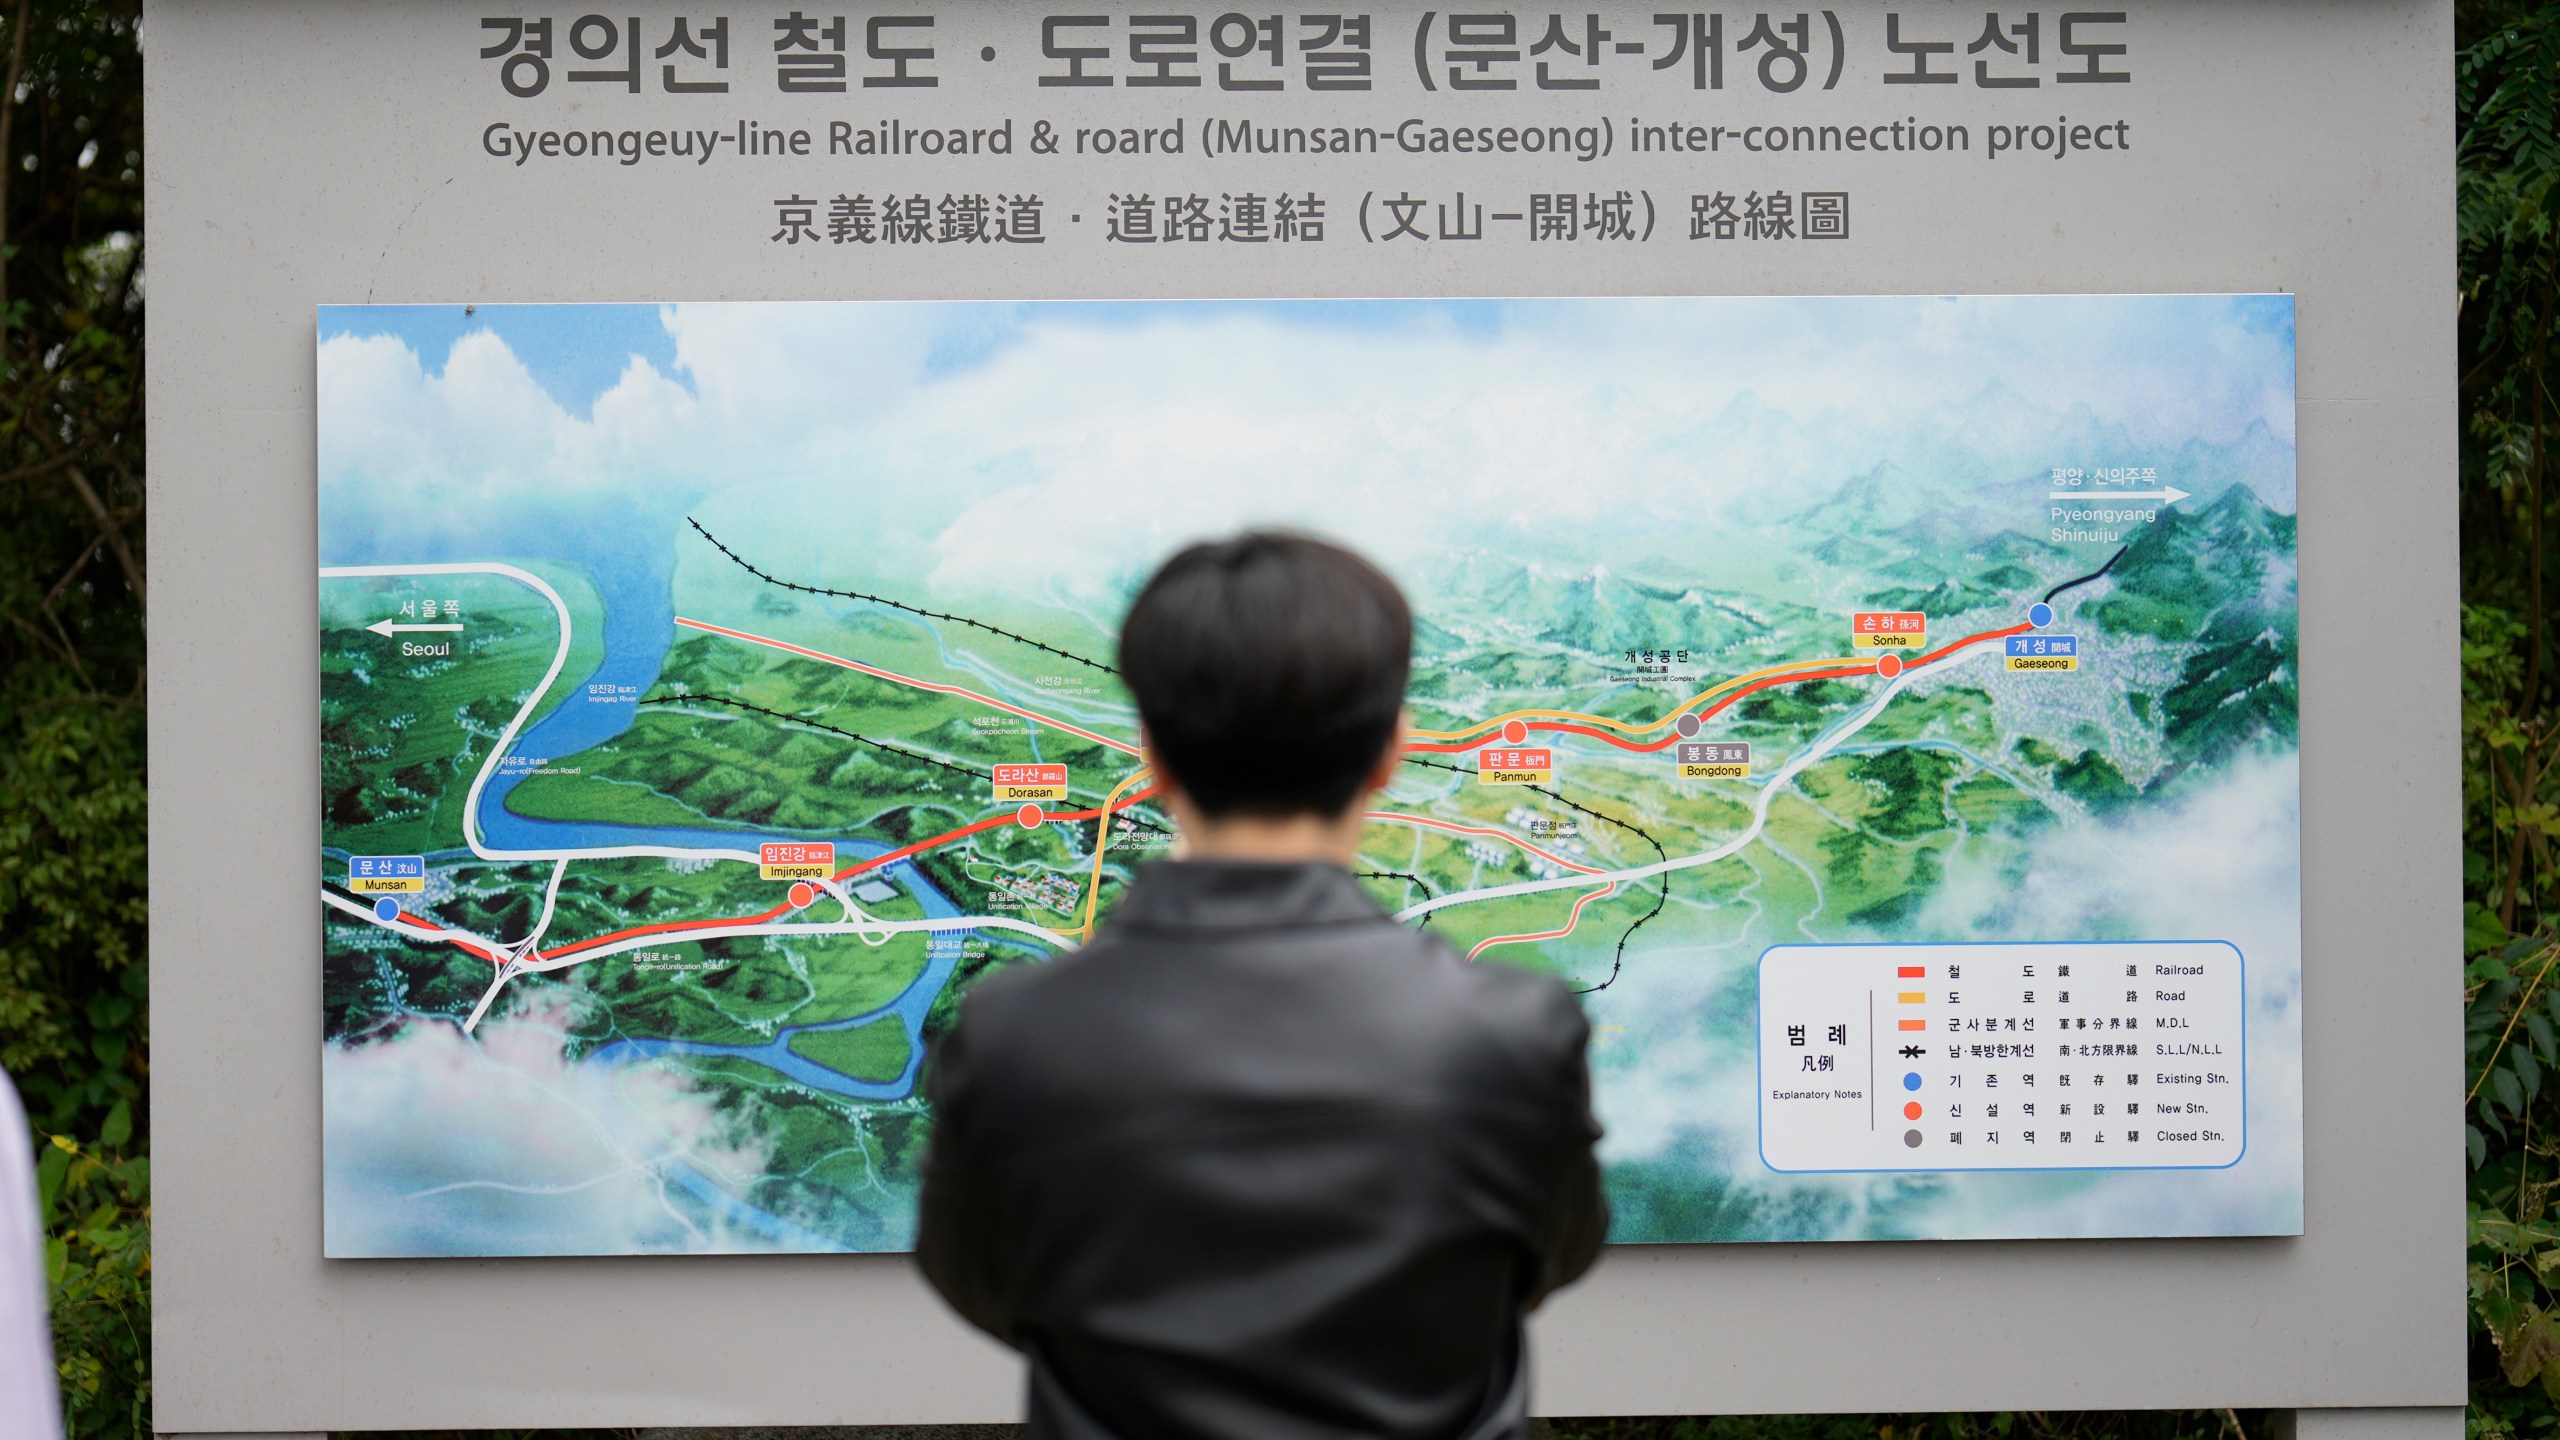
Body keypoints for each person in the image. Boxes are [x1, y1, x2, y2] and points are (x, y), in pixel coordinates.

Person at [916, 531, 1608, 1440]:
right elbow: (1549, 1257)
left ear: (1153, 758)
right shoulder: (1514, 1035)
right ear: (1389, 754)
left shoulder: (1015, 1036)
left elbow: (982, 1283)